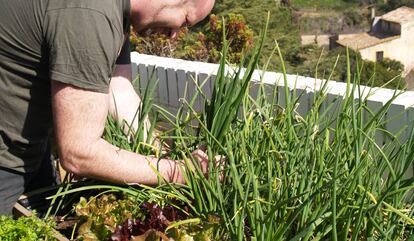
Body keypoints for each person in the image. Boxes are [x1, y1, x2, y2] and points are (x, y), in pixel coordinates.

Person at [0, 0, 215, 215]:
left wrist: (163, 154)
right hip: (6, 158)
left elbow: (119, 89)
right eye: (185, 20)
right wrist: (180, 172)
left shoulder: (115, 10)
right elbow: (80, 152)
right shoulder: (91, 13)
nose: (175, 34)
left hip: (31, 145)